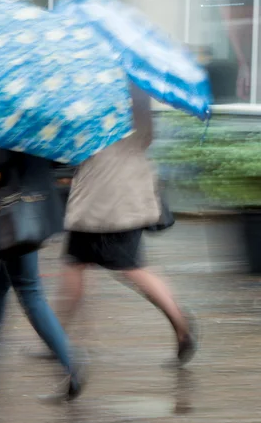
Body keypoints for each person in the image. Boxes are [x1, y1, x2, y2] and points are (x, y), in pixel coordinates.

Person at [55, 84, 197, 365]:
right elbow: (147, 138)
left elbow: (76, 143)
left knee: (129, 266)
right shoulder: (139, 89)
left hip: (104, 193)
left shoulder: (98, 90)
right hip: (127, 186)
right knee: (76, 261)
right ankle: (56, 337)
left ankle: (182, 324)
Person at [0, 148, 85, 401]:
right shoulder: (43, 129)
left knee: (30, 292)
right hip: (37, 210)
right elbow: (55, 161)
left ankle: (72, 365)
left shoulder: (15, 125)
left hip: (16, 217)